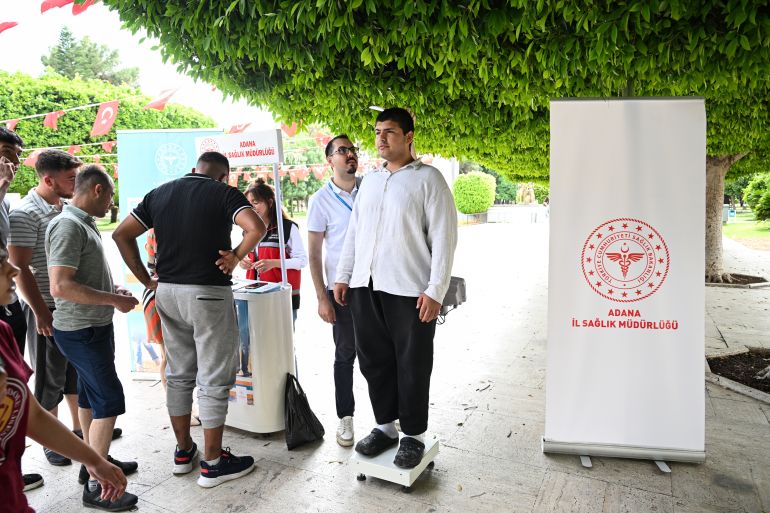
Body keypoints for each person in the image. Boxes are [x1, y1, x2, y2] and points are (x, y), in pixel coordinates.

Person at [112, 151, 266, 488]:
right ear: (224, 176)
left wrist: (146, 280)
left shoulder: (160, 193)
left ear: (194, 169)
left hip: (166, 292)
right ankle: (212, 462)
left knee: (179, 374)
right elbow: (257, 227)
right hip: (207, 292)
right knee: (213, 376)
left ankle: (184, 452)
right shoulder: (224, 193)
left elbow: (121, 234)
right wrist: (237, 256)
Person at [334, 108, 458, 468]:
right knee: (374, 361)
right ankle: (386, 427)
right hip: (365, 286)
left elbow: (444, 237)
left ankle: (413, 435)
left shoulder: (428, 179)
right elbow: (354, 232)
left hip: (410, 290)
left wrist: (436, 289)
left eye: (389, 131)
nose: (381, 138)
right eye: (377, 132)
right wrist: (344, 276)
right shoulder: (370, 182)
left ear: (409, 136)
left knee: (413, 363)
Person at [0, 242, 131, 513]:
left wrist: (94, 461)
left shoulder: (3, 334)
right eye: (1, 262)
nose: (13, 269)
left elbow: (33, 416)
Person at [10, 150, 121, 469]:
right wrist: (42, 312)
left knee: (77, 378)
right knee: (50, 379)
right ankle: (51, 441)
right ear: (47, 179)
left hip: (75, 309)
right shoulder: (26, 213)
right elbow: (19, 269)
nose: (77, 184)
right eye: (71, 179)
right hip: (47, 306)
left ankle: (82, 436)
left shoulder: (67, 209)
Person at [46, 165, 140, 509]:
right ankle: (98, 488)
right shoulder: (68, 225)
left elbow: (78, 278)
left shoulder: (83, 223)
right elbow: (61, 285)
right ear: (98, 190)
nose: (111, 204)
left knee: (89, 397)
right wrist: (114, 300)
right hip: (80, 330)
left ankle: (94, 464)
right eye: (111, 196)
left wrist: (108, 291)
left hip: (92, 326)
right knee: (109, 401)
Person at [307, 134, 359, 447]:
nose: (349, 155)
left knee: (382, 353)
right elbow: (313, 254)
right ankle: (346, 418)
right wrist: (321, 298)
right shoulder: (320, 200)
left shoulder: (371, 189)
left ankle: (388, 419)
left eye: (352, 149)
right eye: (342, 151)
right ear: (330, 161)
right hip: (341, 292)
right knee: (345, 355)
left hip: (376, 286)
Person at [0, 126, 43, 491]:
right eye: (4, 152)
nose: (10, 162)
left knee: (13, 388)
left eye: (15, 155)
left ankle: (11, 463)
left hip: (8, 305)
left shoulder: (5, 199)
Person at [240, 178, 307, 326]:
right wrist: (243, 261)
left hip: (282, 295)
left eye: (255, 202)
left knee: (283, 342)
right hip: (254, 294)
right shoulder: (247, 230)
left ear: (270, 203)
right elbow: (245, 256)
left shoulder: (288, 228)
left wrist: (273, 263)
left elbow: (302, 260)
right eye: (248, 203)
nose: (251, 207)